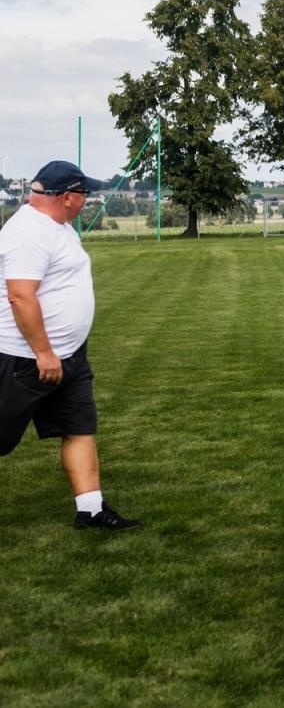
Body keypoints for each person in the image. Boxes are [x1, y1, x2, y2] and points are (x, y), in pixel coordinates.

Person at [1, 161, 140, 530]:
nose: (86, 201)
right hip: (24, 359)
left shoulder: (60, 228)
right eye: (84, 194)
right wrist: (44, 353)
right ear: (65, 197)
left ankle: (91, 511)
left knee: (79, 427)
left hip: (70, 357)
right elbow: (20, 296)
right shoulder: (28, 232)